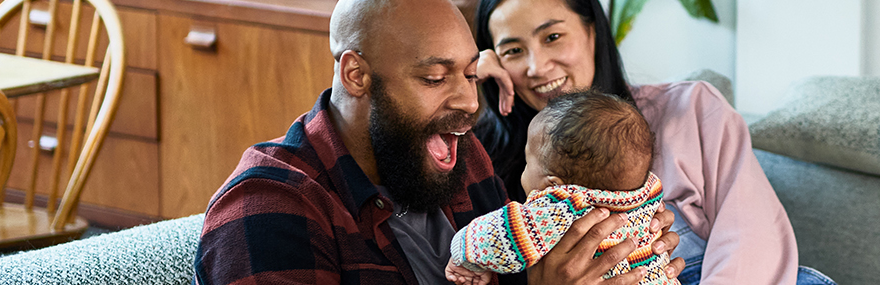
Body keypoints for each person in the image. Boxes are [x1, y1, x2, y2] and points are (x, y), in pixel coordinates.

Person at [193, 0, 684, 284]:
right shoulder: (269, 207)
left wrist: (613, 244)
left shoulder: (461, 155)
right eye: (434, 77)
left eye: (472, 74)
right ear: (357, 74)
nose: (469, 103)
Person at [468, 0, 831, 284]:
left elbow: (751, 236)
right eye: (513, 51)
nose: (537, 66)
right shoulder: (482, 157)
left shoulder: (691, 107)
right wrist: (465, 82)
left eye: (552, 37)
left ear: (593, 32)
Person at [446, 92, 676, 285]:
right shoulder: (649, 192)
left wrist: (464, 253)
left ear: (554, 185)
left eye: (527, 162)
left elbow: (499, 236)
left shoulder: (563, 206)